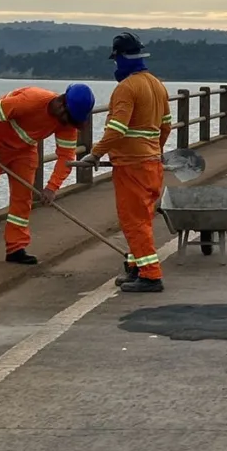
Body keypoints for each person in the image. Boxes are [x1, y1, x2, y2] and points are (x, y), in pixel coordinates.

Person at [0, 83, 96, 266]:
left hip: (24, 151)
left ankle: (16, 248)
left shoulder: (67, 123)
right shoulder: (31, 100)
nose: (68, 123)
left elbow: (66, 157)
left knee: (22, 199)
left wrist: (52, 188)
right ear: (62, 104)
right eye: (69, 118)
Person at [80, 32, 172, 293]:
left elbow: (117, 129)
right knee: (142, 219)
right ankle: (136, 266)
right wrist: (155, 149)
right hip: (151, 162)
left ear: (120, 59)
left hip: (133, 164)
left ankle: (151, 275)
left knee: (134, 221)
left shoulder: (126, 88)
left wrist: (95, 153)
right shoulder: (156, 84)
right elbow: (166, 126)